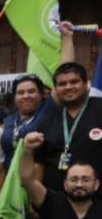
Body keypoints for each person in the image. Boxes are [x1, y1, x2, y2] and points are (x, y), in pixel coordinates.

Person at [33, 62, 102, 194]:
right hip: (56, 199)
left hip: (97, 200)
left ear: (86, 84)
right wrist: (35, 197)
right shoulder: (46, 121)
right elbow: (39, 163)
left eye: (74, 82)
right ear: (56, 89)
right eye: (62, 84)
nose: (68, 87)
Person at [0, 74, 54, 167]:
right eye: (20, 93)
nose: (26, 96)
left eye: (31, 91)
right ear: (15, 97)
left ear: (41, 95)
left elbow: (63, 78)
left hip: (33, 178)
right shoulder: (8, 120)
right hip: (9, 178)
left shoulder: (46, 111)